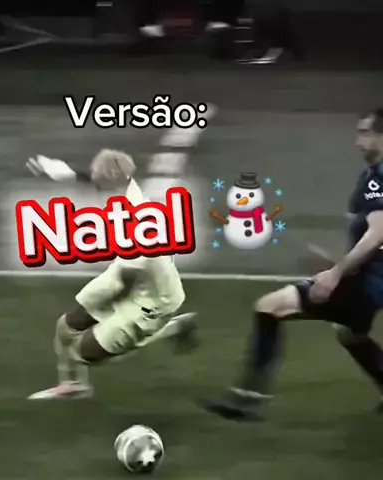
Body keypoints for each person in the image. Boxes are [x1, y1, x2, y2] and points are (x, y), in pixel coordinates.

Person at [201, 108, 383, 420]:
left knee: (269, 307)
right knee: (349, 333)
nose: (358, 141)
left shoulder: (377, 179)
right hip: (370, 281)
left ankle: (248, 399)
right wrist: (336, 264)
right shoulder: (372, 176)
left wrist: (335, 273)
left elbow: (378, 233)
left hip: (367, 284)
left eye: (365, 133)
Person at [27, 149, 198, 400]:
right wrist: (64, 171)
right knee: (66, 327)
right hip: (132, 276)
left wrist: (104, 314)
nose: (95, 177)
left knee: (83, 352)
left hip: (151, 300)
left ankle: (172, 327)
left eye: (98, 173)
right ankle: (73, 385)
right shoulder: (124, 187)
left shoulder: (134, 224)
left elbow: (125, 284)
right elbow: (94, 180)